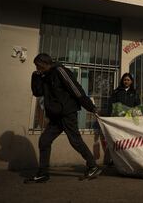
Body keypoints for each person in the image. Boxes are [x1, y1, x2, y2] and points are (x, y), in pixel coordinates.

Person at [26, 53, 101, 183]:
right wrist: (35, 77)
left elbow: (76, 90)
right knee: (44, 141)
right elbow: (37, 92)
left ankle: (92, 166)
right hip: (55, 116)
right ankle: (43, 173)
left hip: (67, 112)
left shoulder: (60, 71)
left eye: (38, 65)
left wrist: (91, 107)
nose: (37, 68)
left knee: (75, 141)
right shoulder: (43, 76)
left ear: (45, 63)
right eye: (36, 66)